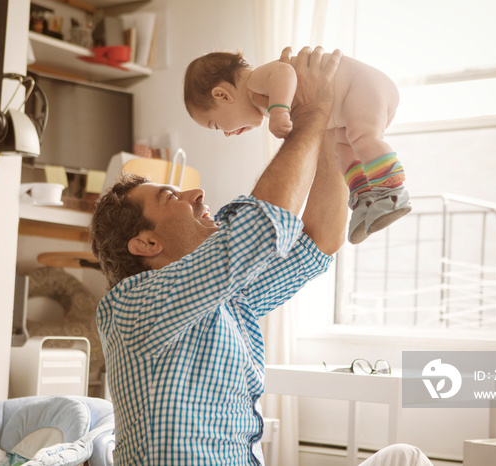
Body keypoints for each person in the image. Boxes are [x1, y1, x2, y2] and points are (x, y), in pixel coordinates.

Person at [91, 46, 432, 465]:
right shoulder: (131, 306)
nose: (197, 194)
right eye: (170, 197)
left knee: (404, 457)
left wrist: (327, 119)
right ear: (145, 244)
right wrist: (310, 116)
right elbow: (261, 227)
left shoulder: (230, 301)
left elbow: (319, 240)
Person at [184, 49, 410, 244]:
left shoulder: (256, 80)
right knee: (343, 151)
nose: (226, 134)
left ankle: (392, 192)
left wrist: (279, 110)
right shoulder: (261, 94)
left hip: (362, 86)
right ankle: (364, 200)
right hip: (349, 106)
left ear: (222, 95)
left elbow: (285, 73)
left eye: (215, 125)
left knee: (363, 138)